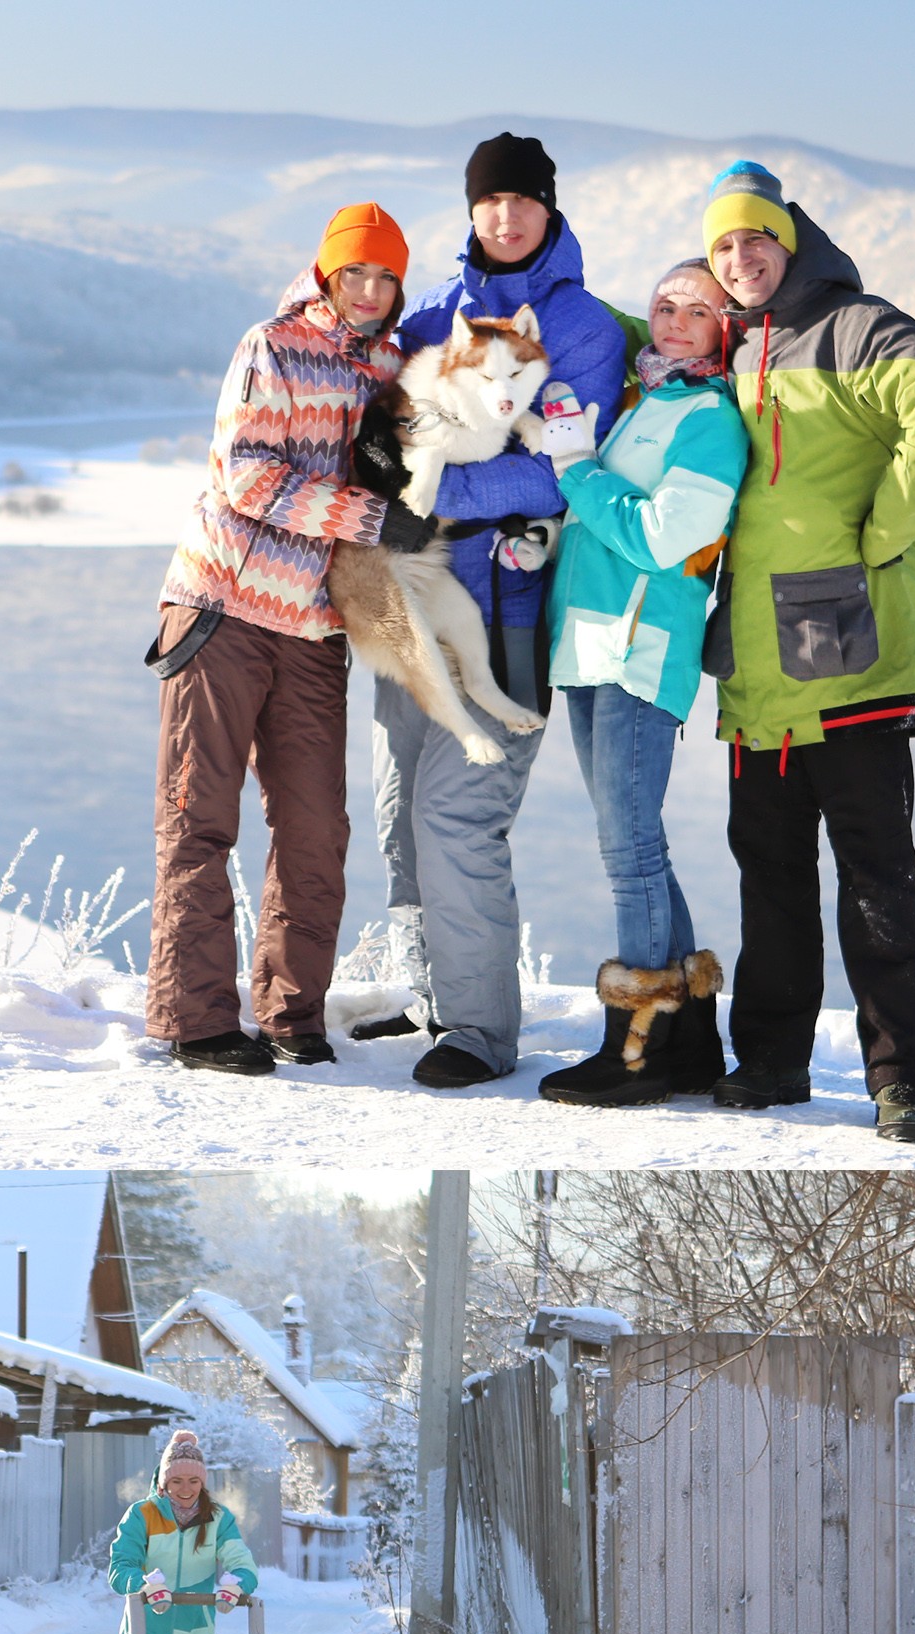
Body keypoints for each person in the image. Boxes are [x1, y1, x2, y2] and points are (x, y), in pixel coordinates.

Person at [699, 161, 915, 1145]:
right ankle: (773, 1060)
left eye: (756, 240)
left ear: (791, 239)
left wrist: (882, 534)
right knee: (767, 872)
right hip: (752, 658)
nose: (742, 259)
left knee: (873, 871)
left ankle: (900, 1079)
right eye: (724, 247)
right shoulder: (725, 346)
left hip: (845, 636)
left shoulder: (858, 324)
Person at [359, 133, 629, 1090]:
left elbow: (557, 473)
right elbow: (382, 423)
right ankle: (427, 997)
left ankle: (478, 1031)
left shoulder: (585, 330)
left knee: (457, 816)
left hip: (508, 607)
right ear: (470, 211)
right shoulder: (432, 314)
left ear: (550, 210)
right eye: (491, 203)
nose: (507, 218)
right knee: (399, 812)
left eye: (524, 202)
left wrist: (440, 486)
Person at [148, 202, 414, 1076]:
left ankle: (292, 1013)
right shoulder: (272, 344)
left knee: (314, 828)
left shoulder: (394, 369)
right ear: (328, 272)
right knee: (201, 818)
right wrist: (372, 515)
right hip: (223, 607)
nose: (371, 292)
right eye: (357, 274)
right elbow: (248, 475)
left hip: (313, 625)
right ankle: (196, 1021)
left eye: (387, 277)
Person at [534, 259, 748, 1107]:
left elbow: (666, 539)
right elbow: (595, 533)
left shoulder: (710, 418)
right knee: (636, 843)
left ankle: (643, 1044)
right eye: (664, 305)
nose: (674, 319)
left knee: (628, 851)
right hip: (589, 645)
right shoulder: (643, 401)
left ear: (723, 329)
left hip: (641, 650)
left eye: (698, 310)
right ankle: (690, 1036)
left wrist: (577, 473)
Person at [106, 1428, 259, 1634]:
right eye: (176, 1481)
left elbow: (242, 1564)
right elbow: (121, 1568)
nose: (185, 1489)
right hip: (145, 1631)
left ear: (203, 1482)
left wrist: (236, 1585)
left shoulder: (218, 1518)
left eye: (193, 1481)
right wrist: (144, 1586)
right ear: (163, 1482)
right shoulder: (142, 1515)